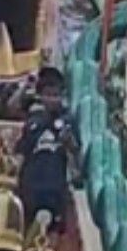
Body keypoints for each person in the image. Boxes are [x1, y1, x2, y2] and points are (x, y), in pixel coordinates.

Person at [15, 66, 79, 236]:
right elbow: (22, 150)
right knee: (28, 228)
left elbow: (75, 152)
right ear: (41, 96)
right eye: (48, 95)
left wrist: (69, 143)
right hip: (31, 184)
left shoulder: (68, 121)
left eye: (56, 95)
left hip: (56, 185)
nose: (52, 100)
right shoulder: (33, 121)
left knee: (54, 231)